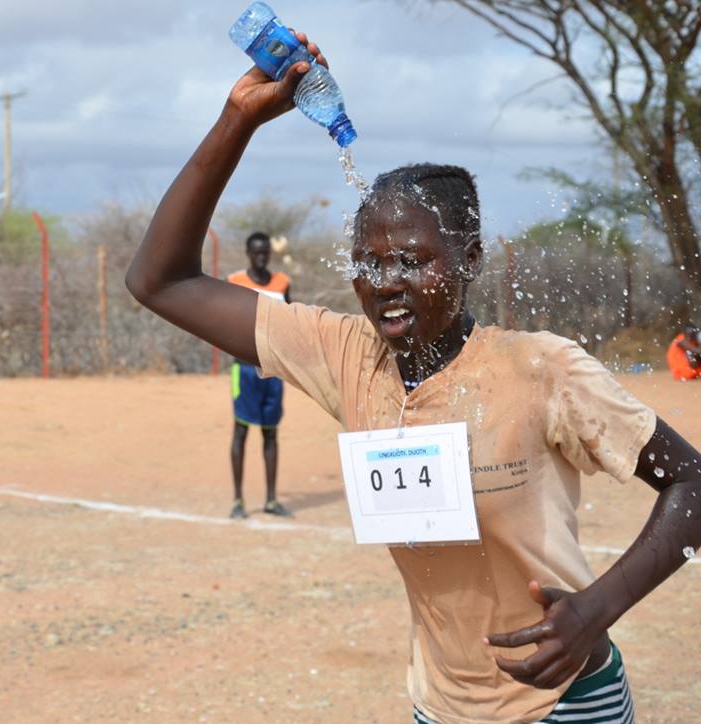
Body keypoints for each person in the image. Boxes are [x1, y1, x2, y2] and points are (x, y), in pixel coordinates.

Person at [124, 31, 701, 724]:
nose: (385, 284)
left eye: (413, 262)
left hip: (563, 701)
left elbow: (693, 481)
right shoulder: (345, 355)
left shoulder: (538, 367)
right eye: (368, 264)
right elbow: (159, 280)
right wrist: (238, 118)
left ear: (471, 258)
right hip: (439, 705)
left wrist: (594, 610)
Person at [226, 231, 292, 519]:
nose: (262, 255)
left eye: (266, 251)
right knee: (240, 431)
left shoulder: (282, 284)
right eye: (256, 251)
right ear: (248, 253)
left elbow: (289, 322)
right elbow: (222, 320)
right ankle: (238, 500)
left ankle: (271, 499)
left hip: (273, 370)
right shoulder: (235, 282)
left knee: (271, 433)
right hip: (244, 369)